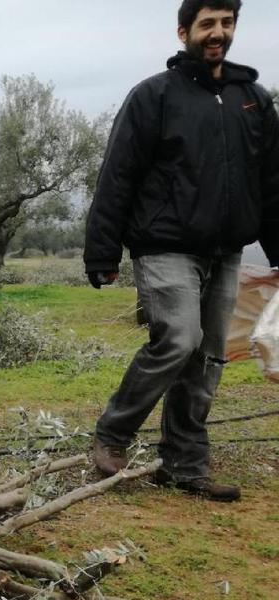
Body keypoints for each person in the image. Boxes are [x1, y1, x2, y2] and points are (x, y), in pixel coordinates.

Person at [84, 0, 279, 501]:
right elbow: (118, 175)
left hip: (227, 249)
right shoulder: (154, 96)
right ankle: (113, 434)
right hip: (164, 245)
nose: (217, 33)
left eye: (226, 23)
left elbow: (271, 181)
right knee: (177, 339)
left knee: (209, 356)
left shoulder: (252, 99)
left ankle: (185, 463)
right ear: (184, 31)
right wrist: (101, 252)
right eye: (207, 24)